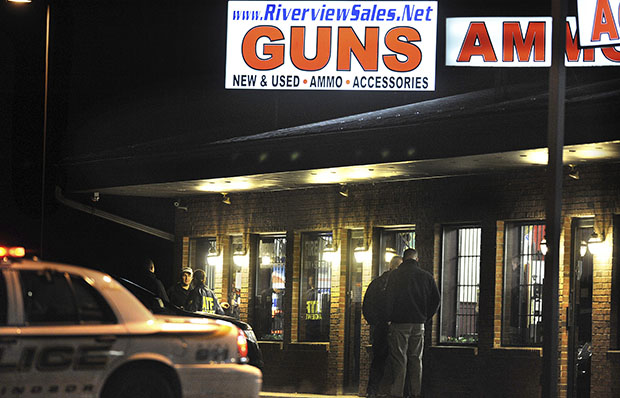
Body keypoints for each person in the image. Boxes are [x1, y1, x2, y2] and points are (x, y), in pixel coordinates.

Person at [383, 248, 440, 398]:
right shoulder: (426, 276)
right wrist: (426, 317)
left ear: (403, 258)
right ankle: (416, 392)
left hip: (399, 322)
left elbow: (388, 298)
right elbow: (436, 299)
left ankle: (397, 393)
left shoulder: (395, 275)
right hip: (418, 323)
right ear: (417, 259)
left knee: (399, 359)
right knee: (416, 359)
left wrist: (389, 318)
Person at [362, 255, 403, 398]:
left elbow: (367, 305)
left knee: (378, 360)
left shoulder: (377, 283)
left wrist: (375, 322)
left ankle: (372, 391)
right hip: (396, 327)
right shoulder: (400, 284)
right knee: (399, 360)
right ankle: (394, 391)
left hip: (380, 327)